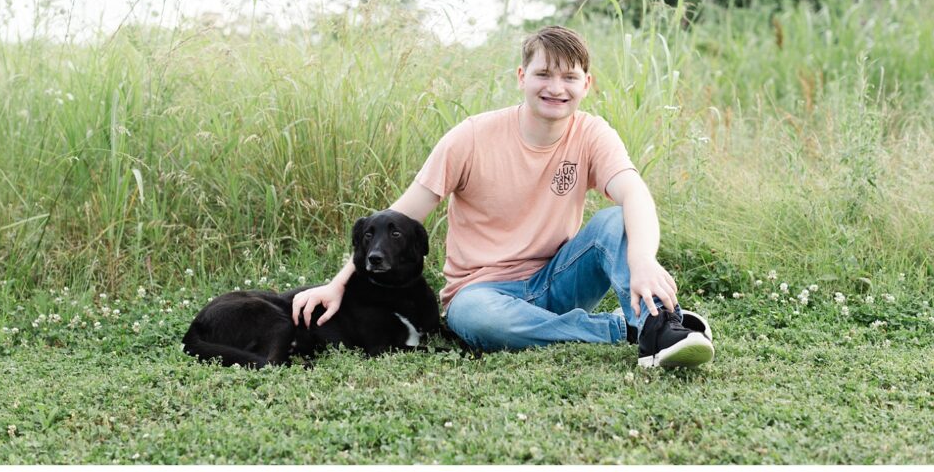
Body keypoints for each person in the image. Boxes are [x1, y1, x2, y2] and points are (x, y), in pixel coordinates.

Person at [292, 25, 714, 368]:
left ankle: (660, 330)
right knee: (475, 318)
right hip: (481, 293)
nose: (556, 87)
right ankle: (624, 329)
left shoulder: (592, 133)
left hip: (557, 278)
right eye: (544, 74)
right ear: (521, 77)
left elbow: (635, 193)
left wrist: (641, 260)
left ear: (586, 84)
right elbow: (397, 219)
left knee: (614, 220)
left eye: (569, 77)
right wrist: (337, 283)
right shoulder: (471, 137)